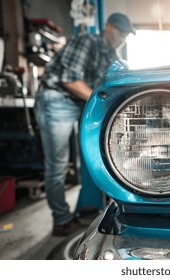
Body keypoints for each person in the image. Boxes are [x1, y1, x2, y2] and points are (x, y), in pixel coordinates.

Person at [34, 13, 133, 236]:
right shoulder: (87, 41)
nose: (122, 38)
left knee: (93, 156)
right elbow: (70, 80)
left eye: (126, 35)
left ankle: (90, 205)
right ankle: (61, 221)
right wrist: (101, 103)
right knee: (58, 164)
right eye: (120, 32)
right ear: (108, 26)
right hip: (57, 101)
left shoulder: (112, 55)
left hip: (79, 104)